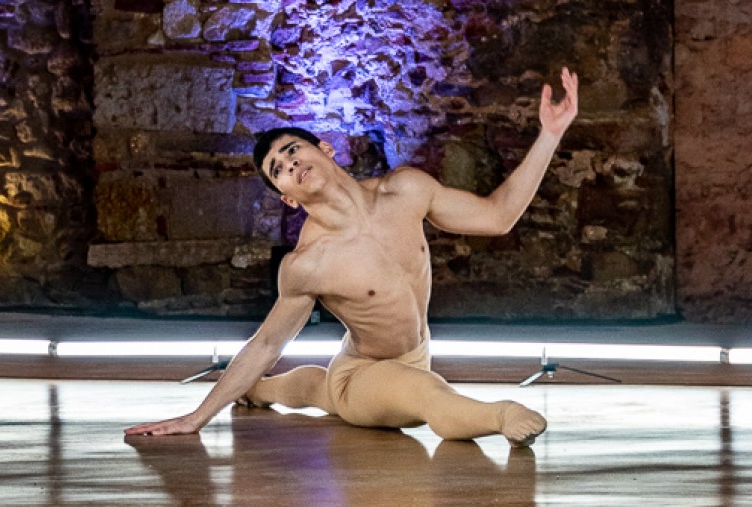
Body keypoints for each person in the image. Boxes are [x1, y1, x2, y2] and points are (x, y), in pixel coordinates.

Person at [125, 67, 579, 447]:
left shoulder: (406, 190)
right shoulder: (308, 263)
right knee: (420, 394)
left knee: (318, 389)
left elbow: (498, 216)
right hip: (365, 374)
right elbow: (266, 345)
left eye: (292, 150)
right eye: (278, 170)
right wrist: (196, 418)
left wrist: (550, 134)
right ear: (287, 196)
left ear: (324, 149)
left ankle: (260, 392)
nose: (290, 164)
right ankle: (501, 414)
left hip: (411, 355)